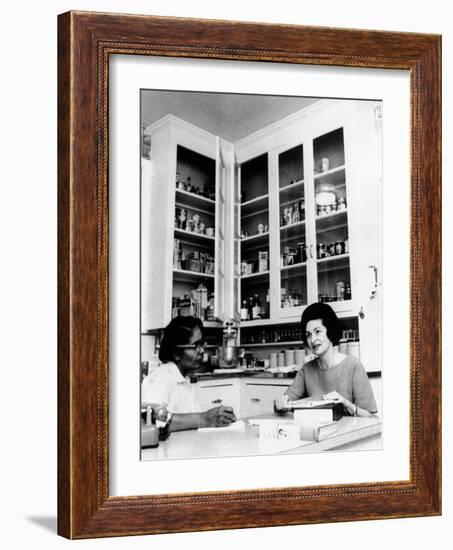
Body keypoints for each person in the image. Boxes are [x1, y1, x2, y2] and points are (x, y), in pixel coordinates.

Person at [275, 302, 378, 417]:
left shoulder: (353, 366)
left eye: (318, 331)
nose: (313, 339)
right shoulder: (306, 370)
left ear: (330, 330)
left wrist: (346, 404)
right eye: (308, 335)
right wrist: (280, 405)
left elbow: (372, 418)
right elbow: (284, 402)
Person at [141, 316, 237, 431]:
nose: (202, 350)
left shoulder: (184, 379)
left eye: (202, 344)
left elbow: (191, 424)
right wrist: (204, 419)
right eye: (196, 345)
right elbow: (152, 420)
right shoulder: (159, 379)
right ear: (176, 353)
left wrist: (219, 419)